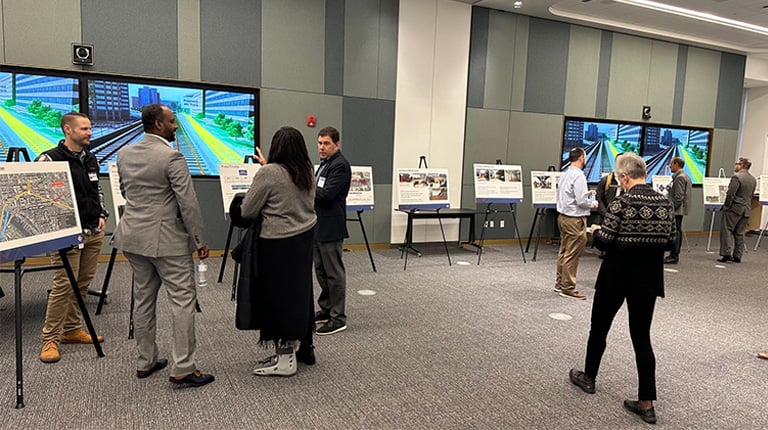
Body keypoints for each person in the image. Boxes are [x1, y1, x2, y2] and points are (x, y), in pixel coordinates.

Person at [569, 153, 675, 425]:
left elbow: (605, 241)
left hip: (615, 276)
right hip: (648, 279)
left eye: (618, 177)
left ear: (625, 178)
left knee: (600, 327)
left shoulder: (621, 202)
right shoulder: (664, 202)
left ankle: (589, 377)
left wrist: (594, 230)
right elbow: (670, 242)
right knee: (642, 338)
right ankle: (646, 403)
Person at [112, 104, 214, 387]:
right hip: (168, 242)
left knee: (143, 299)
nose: (176, 126)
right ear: (158, 124)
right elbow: (188, 203)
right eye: (171, 122)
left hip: (132, 237)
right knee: (182, 301)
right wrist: (199, 240)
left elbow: (124, 192)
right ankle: (183, 367)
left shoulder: (124, 154)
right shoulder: (172, 157)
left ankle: (146, 361)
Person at [239, 126, 317, 377]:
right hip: (303, 241)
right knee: (297, 296)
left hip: (275, 244)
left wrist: (265, 169)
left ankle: (285, 361)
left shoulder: (269, 173)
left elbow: (248, 211)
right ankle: (296, 348)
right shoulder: (307, 171)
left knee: (275, 299)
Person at [37, 112, 108, 363]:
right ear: (68, 130)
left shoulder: (90, 158)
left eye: (90, 128)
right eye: (85, 129)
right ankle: (50, 339)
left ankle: (72, 329)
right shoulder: (49, 159)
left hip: (92, 231)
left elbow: (96, 188)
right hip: (67, 235)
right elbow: (39, 198)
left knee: (82, 284)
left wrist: (102, 213)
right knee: (63, 285)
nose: (90, 132)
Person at [313, 126, 351, 334]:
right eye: (319, 143)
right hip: (319, 225)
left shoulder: (340, 165)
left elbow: (326, 195)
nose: (322, 147)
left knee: (334, 274)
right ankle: (326, 308)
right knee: (321, 271)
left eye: (326, 143)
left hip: (331, 227)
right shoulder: (325, 164)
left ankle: (338, 318)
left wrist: (306, 184)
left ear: (337, 144)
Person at [555, 147, 598, 300]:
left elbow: (569, 196)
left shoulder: (565, 173)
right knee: (572, 254)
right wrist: (593, 204)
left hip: (563, 218)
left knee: (564, 251)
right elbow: (580, 202)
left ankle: (560, 283)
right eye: (585, 158)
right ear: (581, 158)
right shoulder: (579, 176)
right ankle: (568, 288)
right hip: (575, 220)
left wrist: (586, 195)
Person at [718, 157, 757, 263]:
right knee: (739, 233)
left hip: (734, 209)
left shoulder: (736, 177)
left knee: (727, 230)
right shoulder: (753, 179)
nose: (735, 165)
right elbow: (751, 195)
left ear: (741, 165)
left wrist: (726, 206)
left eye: (737, 163)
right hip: (746, 209)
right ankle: (738, 255)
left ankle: (726, 254)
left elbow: (731, 194)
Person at [664, 157, 692, 264]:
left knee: (675, 232)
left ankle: (674, 255)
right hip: (679, 210)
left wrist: (671, 209)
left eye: (671, 164)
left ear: (676, 164)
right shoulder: (684, 176)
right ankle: (674, 254)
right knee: (677, 231)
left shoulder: (680, 178)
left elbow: (678, 197)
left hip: (676, 210)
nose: (670, 166)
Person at [595, 154, 623, 259]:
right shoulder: (606, 180)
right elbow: (599, 198)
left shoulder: (628, 182)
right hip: (605, 215)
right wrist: (605, 213)